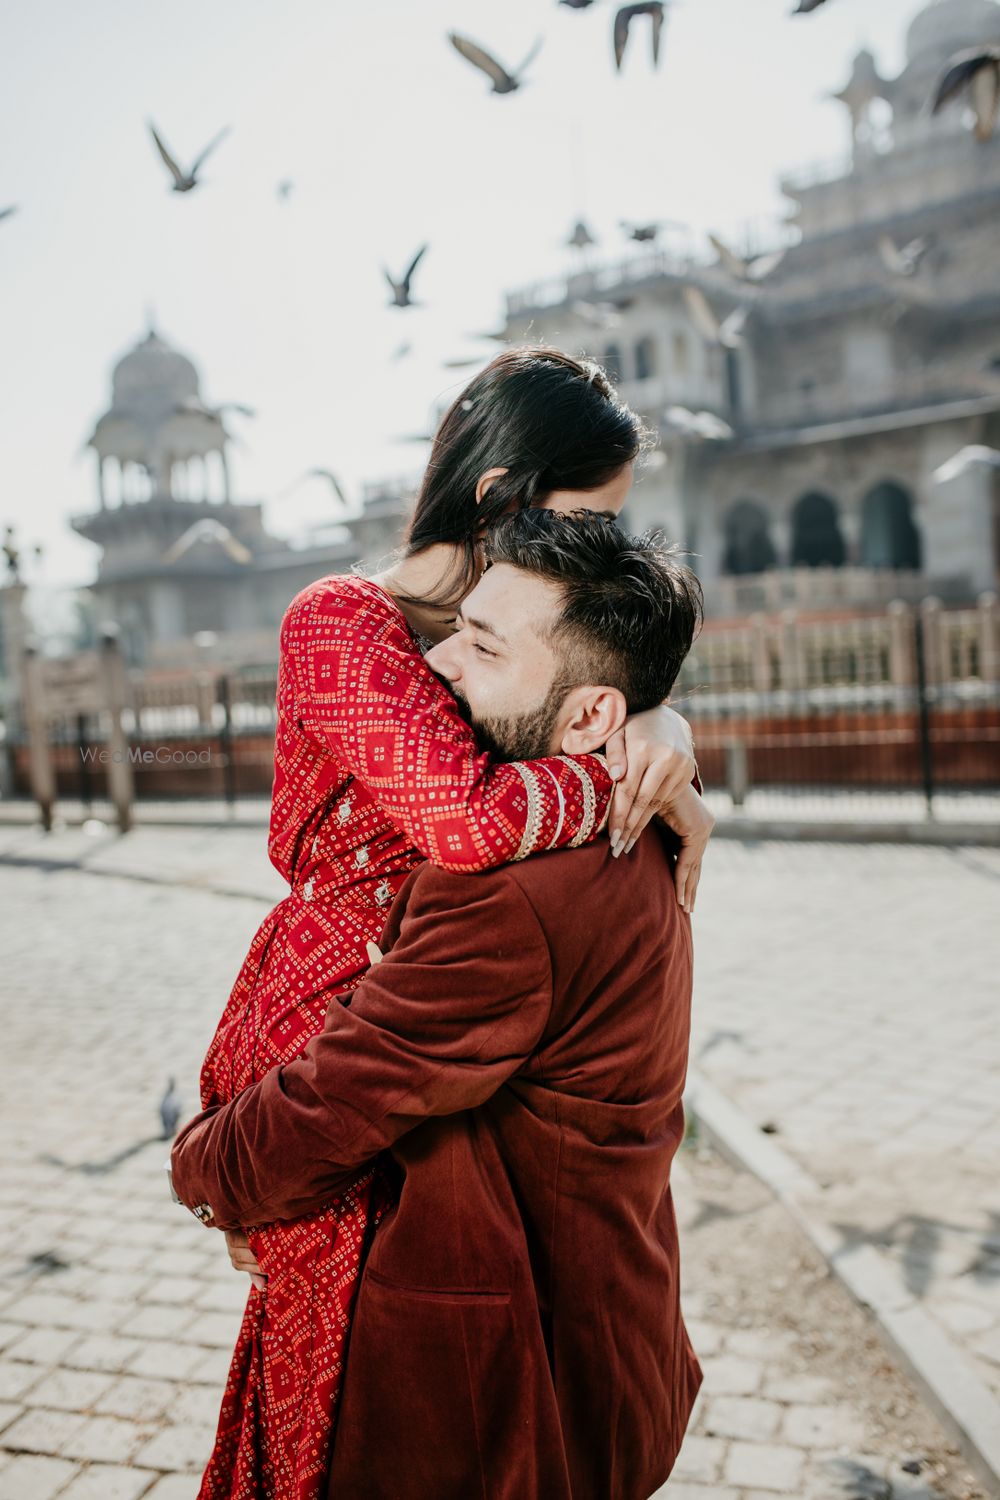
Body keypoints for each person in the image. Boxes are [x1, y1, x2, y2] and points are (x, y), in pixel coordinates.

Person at [193, 347, 714, 1497]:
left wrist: (660, 732)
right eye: (593, 516)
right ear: (502, 500)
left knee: (342, 1357)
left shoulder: (520, 647)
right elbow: (470, 823)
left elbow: (586, 684)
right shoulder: (346, 619)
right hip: (331, 1000)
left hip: (430, 997)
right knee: (315, 1357)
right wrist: (631, 767)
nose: (608, 547)